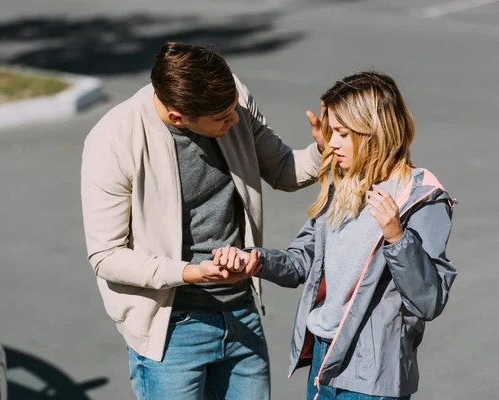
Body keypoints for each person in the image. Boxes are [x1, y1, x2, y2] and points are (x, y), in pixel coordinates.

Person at [80, 41, 324, 400]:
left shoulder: (232, 97)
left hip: (241, 314)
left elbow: (285, 171)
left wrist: (324, 149)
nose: (236, 119)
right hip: (171, 330)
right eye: (223, 119)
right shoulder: (113, 140)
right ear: (178, 116)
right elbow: (106, 256)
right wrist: (191, 273)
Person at [212, 71, 457, 400]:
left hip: (372, 378)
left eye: (342, 133)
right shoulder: (343, 184)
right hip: (323, 361)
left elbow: (429, 300)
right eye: (331, 132)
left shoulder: (420, 197)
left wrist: (397, 238)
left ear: (373, 132)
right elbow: (303, 262)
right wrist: (255, 260)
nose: (332, 143)